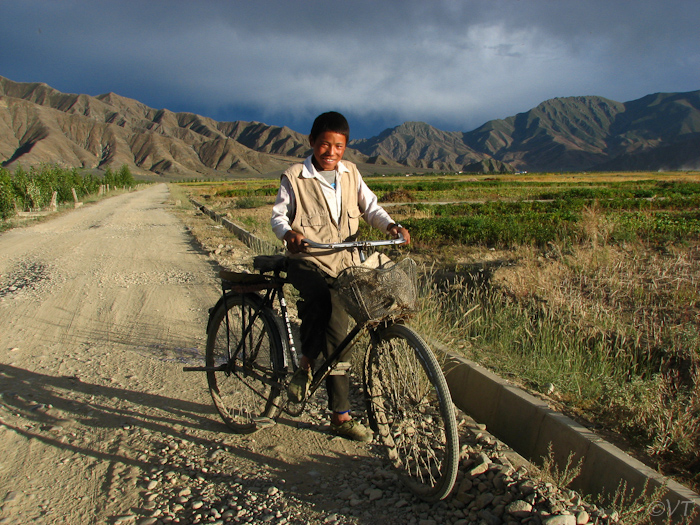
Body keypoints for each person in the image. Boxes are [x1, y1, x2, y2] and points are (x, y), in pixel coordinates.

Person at [270, 111, 410, 442]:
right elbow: (278, 216)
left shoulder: (351, 174)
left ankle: (394, 354)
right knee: (331, 314)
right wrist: (289, 233)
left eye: (338, 146)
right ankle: (338, 412)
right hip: (309, 258)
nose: (331, 152)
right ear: (312, 143)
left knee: (390, 283)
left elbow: (371, 208)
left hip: (346, 258)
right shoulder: (294, 177)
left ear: (345, 147)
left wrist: (390, 226)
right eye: (324, 145)